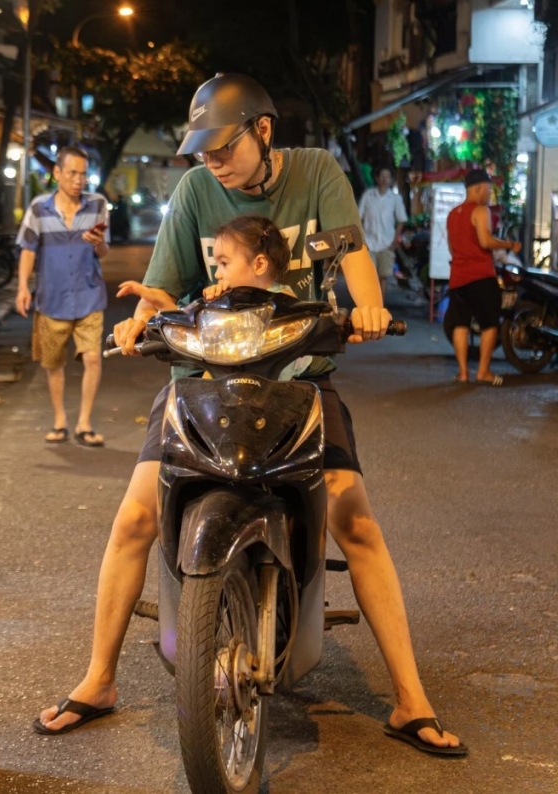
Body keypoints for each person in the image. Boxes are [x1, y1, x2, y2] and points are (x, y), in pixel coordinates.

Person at [34, 73, 467, 757]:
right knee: (135, 517)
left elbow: (351, 255)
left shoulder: (318, 173)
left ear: (263, 132)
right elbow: (166, 283)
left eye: (222, 147)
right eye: (202, 151)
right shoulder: (194, 193)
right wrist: (139, 320)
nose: (211, 161)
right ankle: (99, 678)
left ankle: (410, 701)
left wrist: (371, 307)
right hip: (201, 380)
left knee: (354, 519)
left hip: (298, 378)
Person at [15, 146, 111, 447]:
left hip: (89, 294)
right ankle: (60, 420)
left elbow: (104, 251)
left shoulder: (97, 205)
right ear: (57, 173)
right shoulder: (38, 208)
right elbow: (28, 250)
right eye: (72, 173)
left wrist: (98, 244)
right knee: (53, 363)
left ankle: (84, 423)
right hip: (51, 298)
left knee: (93, 357)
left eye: (83, 174)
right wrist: (21, 287)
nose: (79, 180)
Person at [444, 169, 519, 386]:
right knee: (489, 324)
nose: (490, 193)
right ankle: (484, 371)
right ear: (478, 189)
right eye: (488, 189)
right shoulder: (480, 210)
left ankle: (463, 372)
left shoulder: (452, 214)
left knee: (460, 324)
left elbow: (451, 247)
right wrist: (508, 244)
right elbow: (485, 241)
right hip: (480, 275)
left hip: (458, 276)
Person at [358, 166, 408, 289]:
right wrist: (362, 240)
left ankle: (380, 307)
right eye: (382, 176)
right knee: (370, 277)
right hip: (370, 243)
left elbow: (401, 220)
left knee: (383, 278)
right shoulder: (368, 196)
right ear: (377, 178)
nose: (385, 179)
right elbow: (359, 217)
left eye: (388, 177)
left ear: (391, 180)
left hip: (387, 243)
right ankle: (368, 306)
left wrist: (394, 242)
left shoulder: (395, 198)